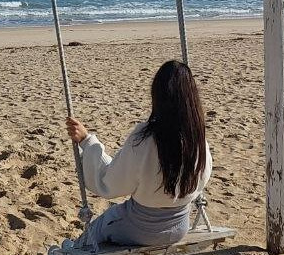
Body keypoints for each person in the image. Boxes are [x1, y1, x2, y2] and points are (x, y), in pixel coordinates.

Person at [49, 60, 212, 253]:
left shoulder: (145, 138)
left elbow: (110, 183)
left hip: (140, 229)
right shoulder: (198, 138)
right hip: (179, 227)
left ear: (157, 96)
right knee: (114, 215)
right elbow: (203, 178)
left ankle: (70, 249)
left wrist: (86, 141)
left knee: (99, 227)